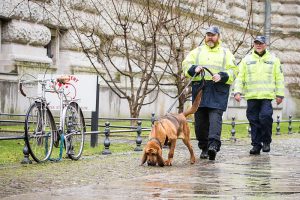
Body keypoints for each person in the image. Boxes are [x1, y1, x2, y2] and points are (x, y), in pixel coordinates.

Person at [182, 26, 238, 160]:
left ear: (218, 36)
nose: (210, 37)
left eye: (213, 35)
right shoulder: (197, 51)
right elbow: (185, 65)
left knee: (215, 120)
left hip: (217, 90)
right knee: (200, 122)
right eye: (208, 35)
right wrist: (194, 68)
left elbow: (234, 71)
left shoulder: (226, 53)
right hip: (200, 89)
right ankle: (204, 147)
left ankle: (213, 146)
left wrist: (222, 76)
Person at [234, 36, 284, 155]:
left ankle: (266, 141)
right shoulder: (247, 59)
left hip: (266, 96)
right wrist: (237, 91)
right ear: (253, 45)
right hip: (251, 96)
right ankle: (256, 145)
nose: (258, 45)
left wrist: (280, 95)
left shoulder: (273, 59)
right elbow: (240, 77)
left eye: (261, 43)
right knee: (254, 121)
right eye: (256, 43)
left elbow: (279, 78)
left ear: (265, 45)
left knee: (265, 117)